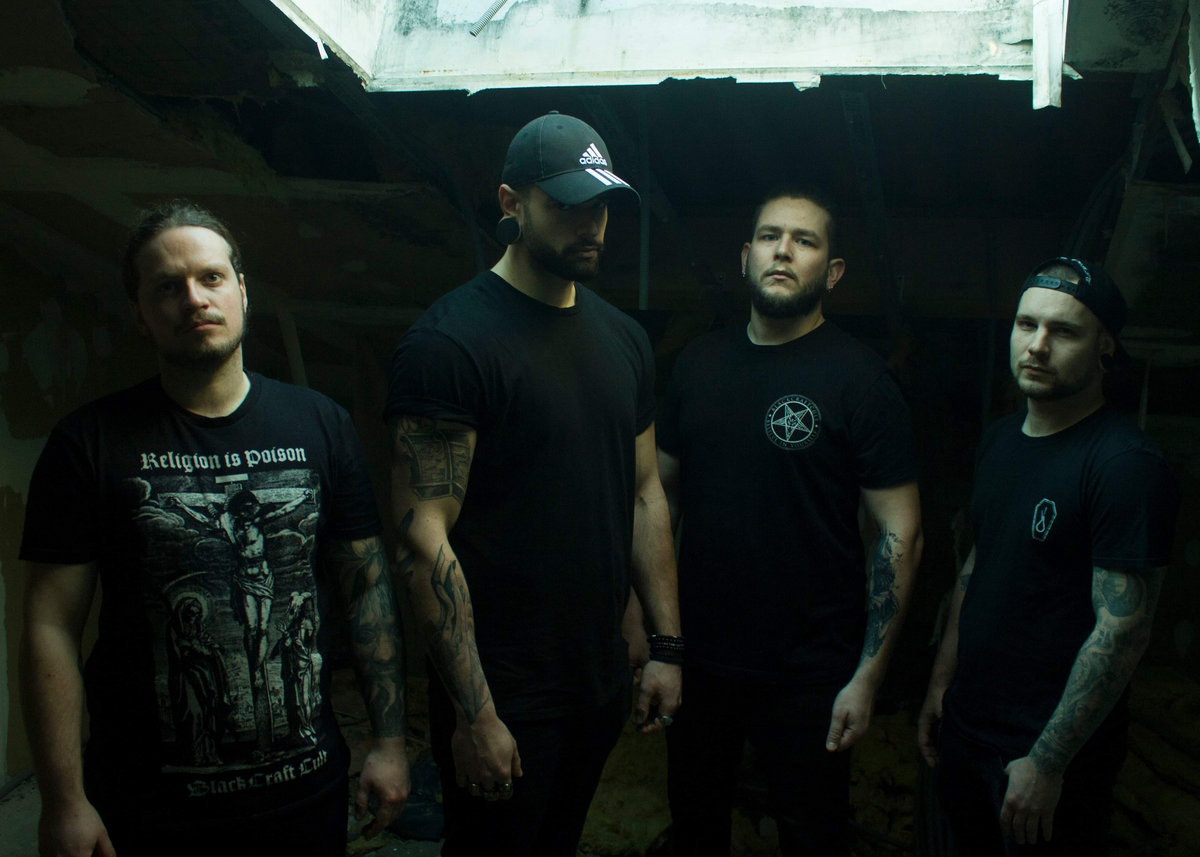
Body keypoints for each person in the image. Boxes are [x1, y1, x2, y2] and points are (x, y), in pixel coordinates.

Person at [19, 200, 410, 857]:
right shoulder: (88, 443)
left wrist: (391, 743)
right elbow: (49, 625)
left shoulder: (321, 424)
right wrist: (64, 800)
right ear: (141, 314)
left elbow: (366, 589)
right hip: (147, 807)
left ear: (242, 291)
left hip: (305, 796)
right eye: (166, 287)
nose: (194, 299)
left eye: (210, 277)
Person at [386, 111, 682, 857]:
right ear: (511, 203)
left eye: (601, 204)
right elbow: (423, 543)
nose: (591, 223)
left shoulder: (625, 340)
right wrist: (475, 714)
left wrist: (666, 645)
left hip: (595, 679)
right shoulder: (451, 344)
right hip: (504, 692)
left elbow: (644, 494)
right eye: (567, 204)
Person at [655, 188, 923, 856]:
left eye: (805, 241)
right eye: (771, 237)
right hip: (701, 659)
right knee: (694, 826)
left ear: (832, 272)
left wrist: (867, 677)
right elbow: (656, 501)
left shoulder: (862, 381)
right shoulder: (697, 364)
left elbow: (900, 534)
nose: (784, 251)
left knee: (813, 836)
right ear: (746, 256)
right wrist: (653, 636)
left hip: (811, 672)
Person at [918, 257, 1179, 855]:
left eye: (1063, 331)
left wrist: (1048, 761)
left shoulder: (1125, 465)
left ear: (1104, 347)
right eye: (1026, 324)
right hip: (966, 731)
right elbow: (977, 568)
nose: (1037, 345)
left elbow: (1122, 632)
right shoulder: (1001, 440)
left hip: (1041, 760)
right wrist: (941, 686)